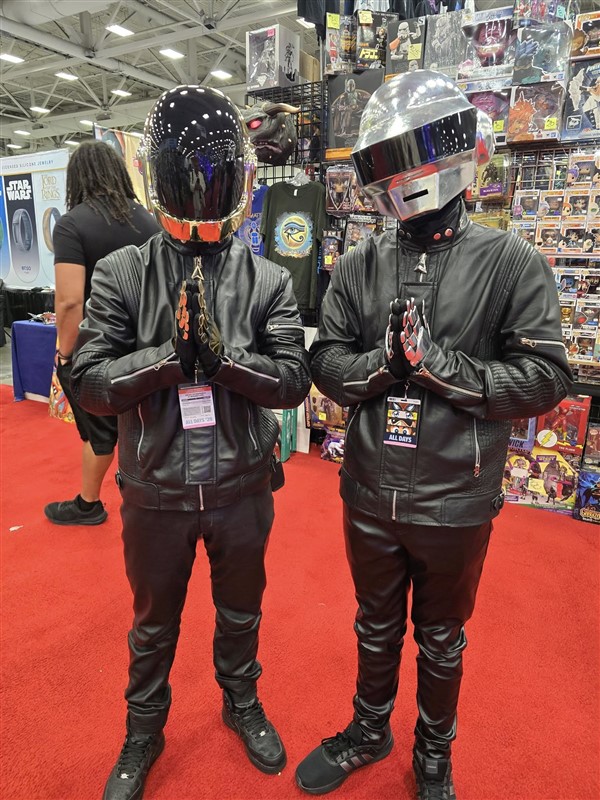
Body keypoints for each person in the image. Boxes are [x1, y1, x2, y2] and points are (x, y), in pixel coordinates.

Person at [295, 71, 571, 799]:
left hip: (457, 494)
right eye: (387, 162)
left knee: (442, 637)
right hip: (369, 488)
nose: (403, 178)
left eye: (411, 156)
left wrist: (437, 366)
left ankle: (434, 753)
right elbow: (325, 362)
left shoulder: (510, 261)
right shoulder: (360, 263)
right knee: (374, 623)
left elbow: (546, 378)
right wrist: (385, 367)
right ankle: (369, 729)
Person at [70, 86, 311, 800]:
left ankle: (241, 699)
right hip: (156, 487)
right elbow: (90, 383)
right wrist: (170, 360)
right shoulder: (121, 273)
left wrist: (223, 361)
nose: (206, 192)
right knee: (153, 624)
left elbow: (293, 380)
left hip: (242, 484)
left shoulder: (268, 278)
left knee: (242, 610)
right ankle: (143, 729)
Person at [44, 141, 159, 526]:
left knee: (99, 431)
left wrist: (65, 354)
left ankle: (89, 504)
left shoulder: (72, 224)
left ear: (77, 178)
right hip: (147, 346)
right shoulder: (147, 220)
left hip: (97, 350)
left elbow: (70, 302)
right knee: (147, 424)